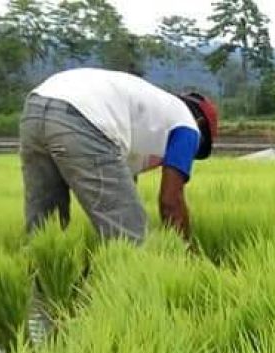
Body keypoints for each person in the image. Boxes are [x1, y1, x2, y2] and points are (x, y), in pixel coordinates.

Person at [19, 68, 219, 244]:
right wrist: (183, 251)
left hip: (36, 106)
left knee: (46, 230)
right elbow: (170, 201)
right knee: (128, 236)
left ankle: (46, 285)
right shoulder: (188, 125)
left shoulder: (149, 112)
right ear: (200, 123)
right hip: (84, 114)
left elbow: (121, 183)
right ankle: (121, 285)